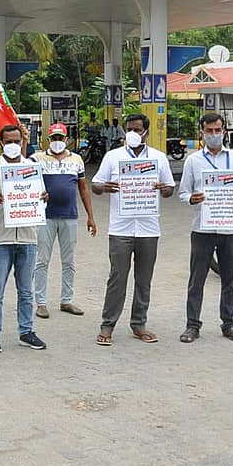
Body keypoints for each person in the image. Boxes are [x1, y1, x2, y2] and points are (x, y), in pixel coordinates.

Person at [91, 114, 175, 346]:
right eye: (129, 129)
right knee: (117, 277)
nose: (132, 134)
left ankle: (139, 323)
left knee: (144, 279)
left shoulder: (158, 158)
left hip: (148, 228)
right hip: (120, 228)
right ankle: (107, 325)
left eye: (137, 129)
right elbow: (96, 184)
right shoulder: (113, 157)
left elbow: (169, 189)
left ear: (146, 132)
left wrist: (162, 188)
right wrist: (104, 188)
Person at [178, 113, 233, 344]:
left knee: (230, 278)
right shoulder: (193, 161)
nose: (213, 135)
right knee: (197, 279)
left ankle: (229, 323)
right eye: (209, 131)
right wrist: (193, 198)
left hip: (230, 229)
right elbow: (183, 193)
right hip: (203, 228)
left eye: (217, 130)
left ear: (224, 131)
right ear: (201, 132)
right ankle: (192, 325)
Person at [0, 124, 48, 354]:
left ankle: (26, 331)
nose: (14, 145)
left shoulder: (31, 168)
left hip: (27, 238)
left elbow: (40, 196)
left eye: (17, 141)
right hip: (0, 239)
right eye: (9, 141)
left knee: (26, 290)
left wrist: (44, 197)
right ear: (1, 143)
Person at [31, 123, 96, 319]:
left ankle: (66, 300)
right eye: (54, 138)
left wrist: (90, 216)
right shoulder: (37, 158)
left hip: (70, 216)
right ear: (48, 139)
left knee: (69, 261)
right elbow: (24, 180)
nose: (57, 141)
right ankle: (41, 302)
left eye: (61, 138)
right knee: (42, 260)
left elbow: (83, 188)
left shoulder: (76, 159)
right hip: (45, 217)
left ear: (66, 139)